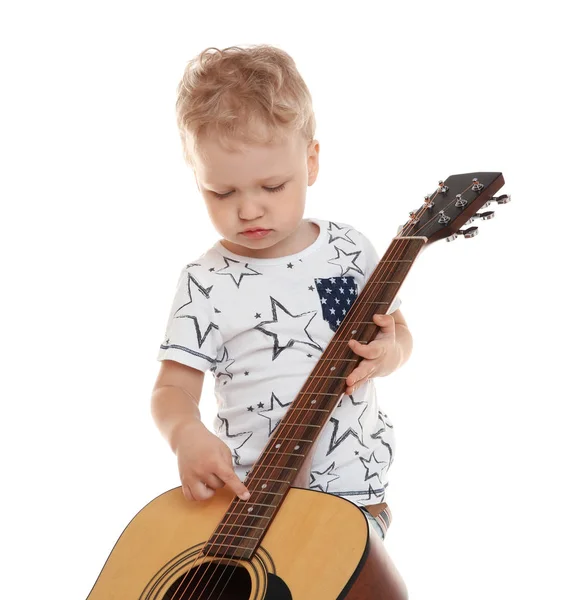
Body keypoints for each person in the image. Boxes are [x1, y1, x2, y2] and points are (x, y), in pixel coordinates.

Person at [151, 44, 413, 541]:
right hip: (250, 501)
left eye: (272, 186)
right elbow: (172, 389)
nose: (248, 210)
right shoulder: (205, 282)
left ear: (311, 162)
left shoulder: (349, 249)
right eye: (222, 193)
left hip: (352, 495)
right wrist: (186, 434)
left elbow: (397, 331)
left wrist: (389, 353)